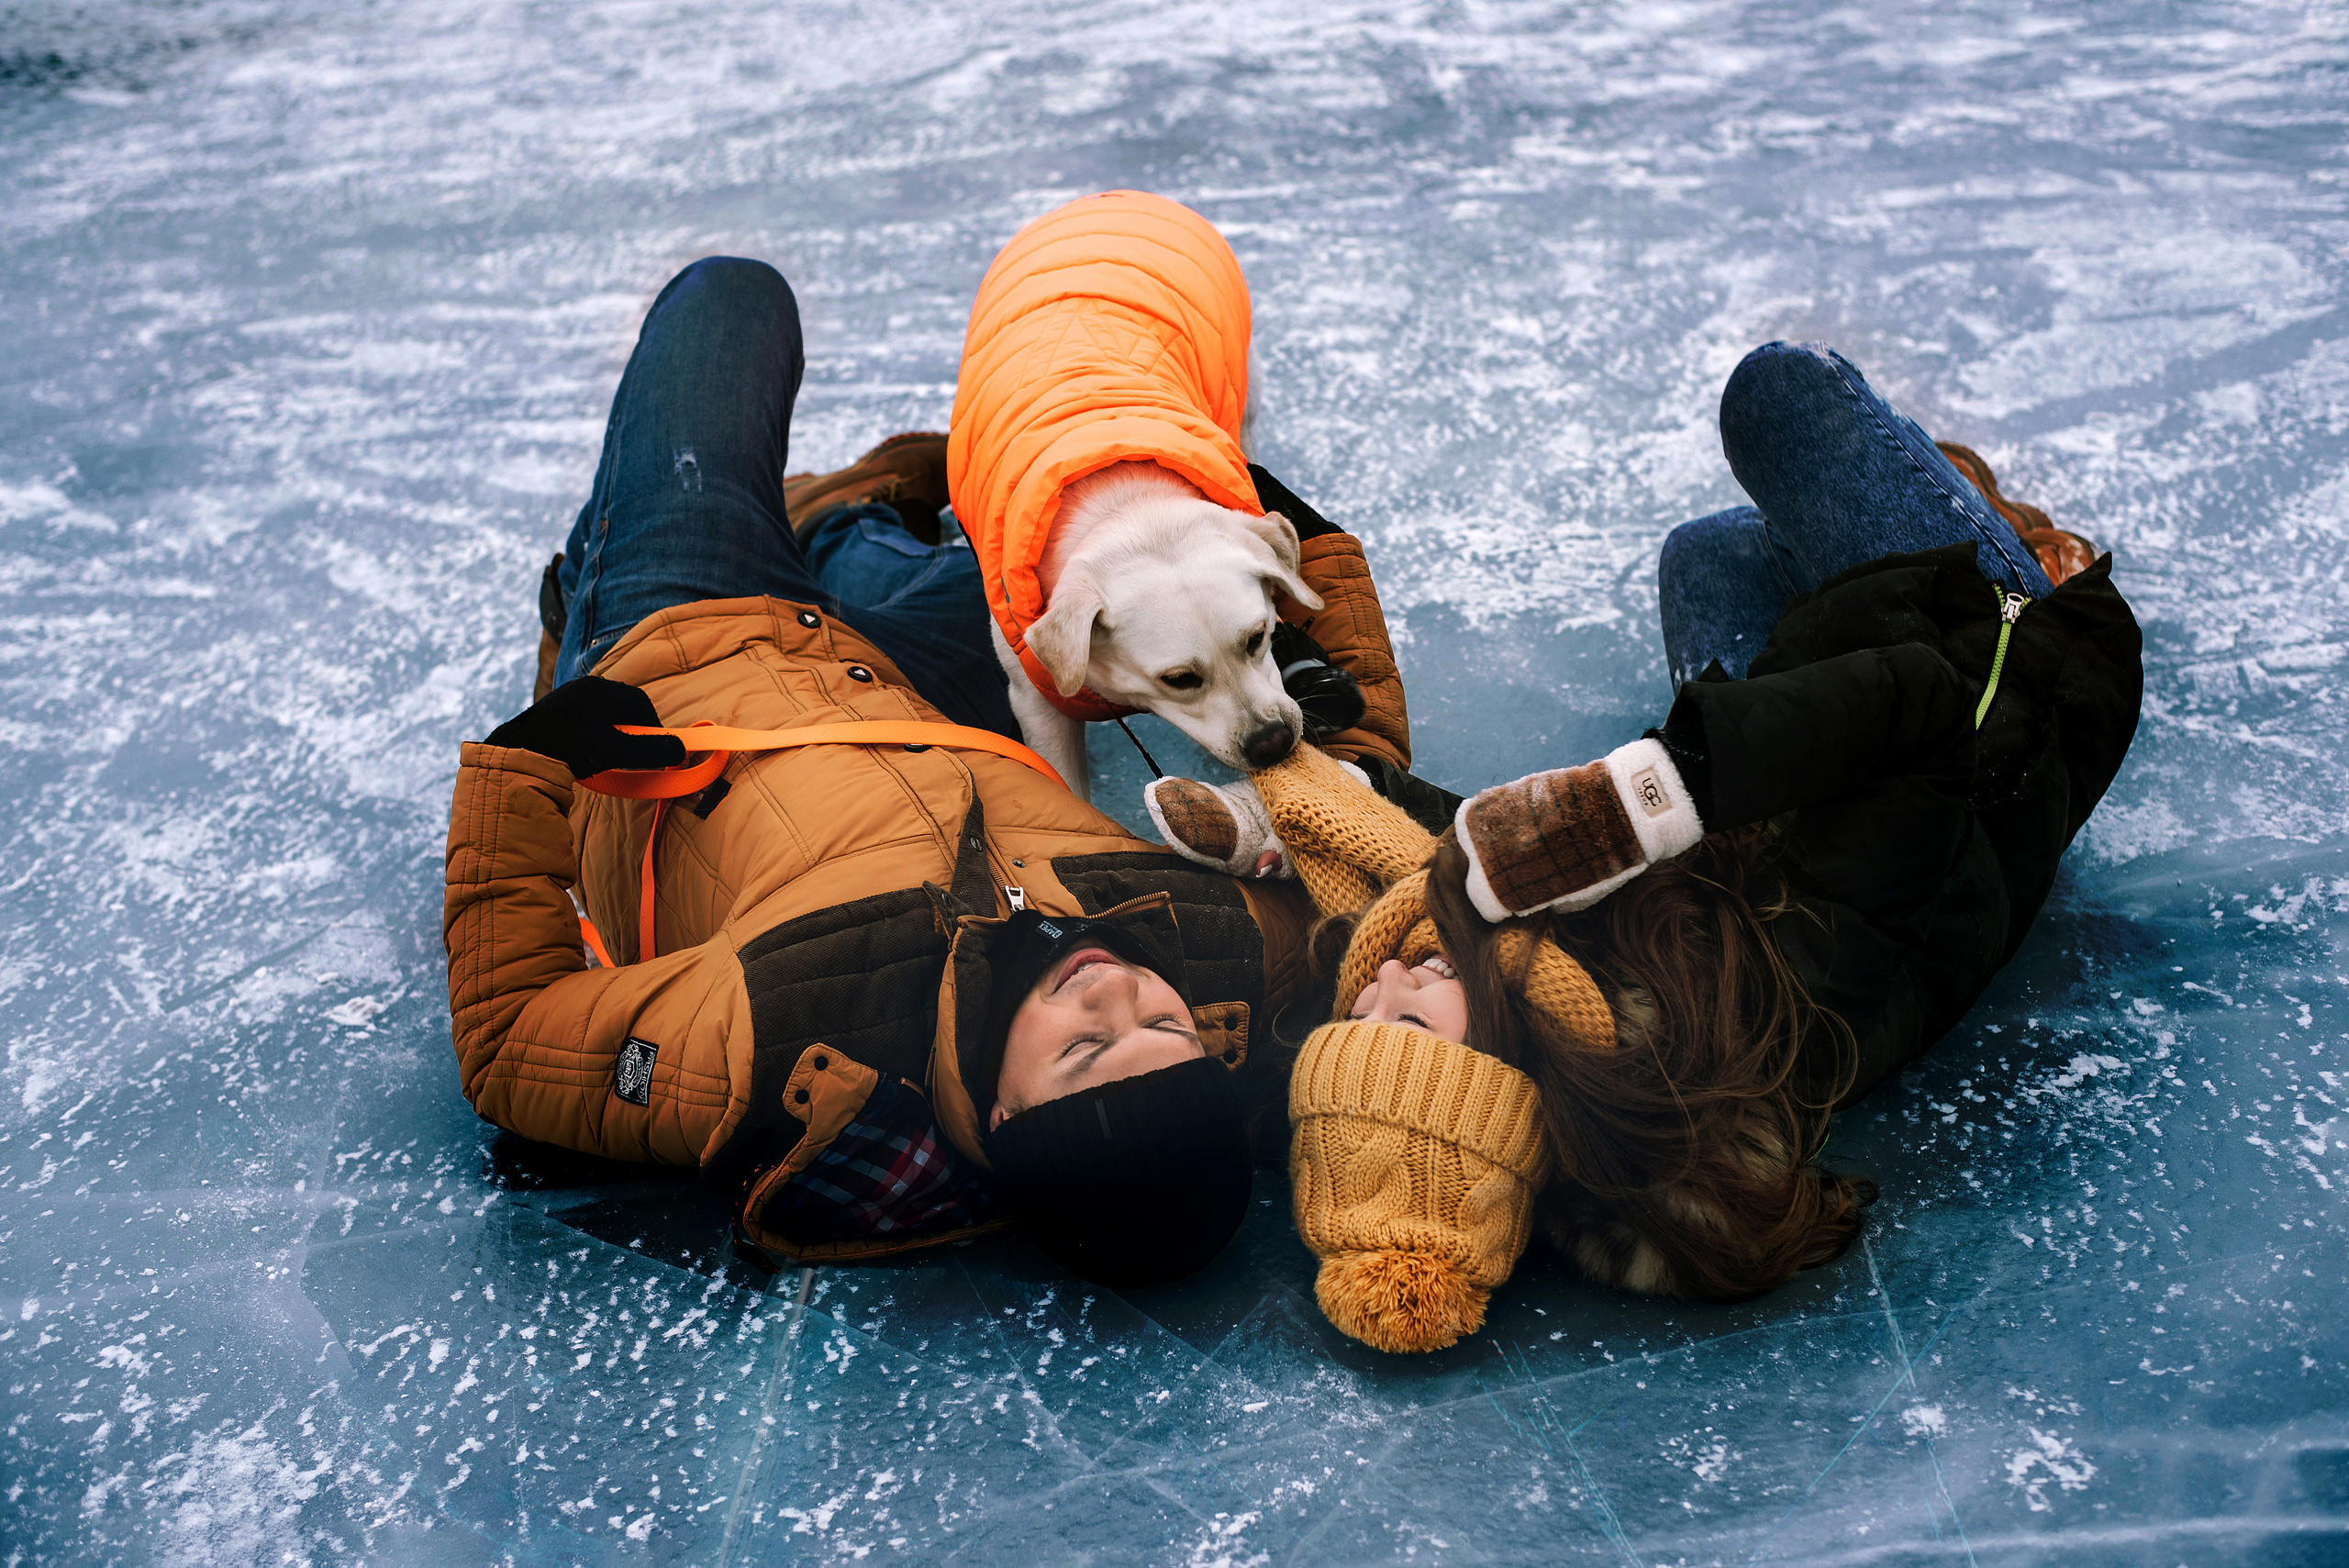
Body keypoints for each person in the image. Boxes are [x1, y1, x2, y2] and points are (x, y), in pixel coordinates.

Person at [1143, 341, 2143, 1349]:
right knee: (1775, 397)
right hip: (2004, 694)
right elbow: (1925, 709)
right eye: (1407, 1020)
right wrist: (1651, 797)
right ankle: (2015, 550)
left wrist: (1302, 812)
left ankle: (1942, 513)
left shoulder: (1545, 1000)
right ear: (1498, 1081)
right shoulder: (1769, 1014)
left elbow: (1449, 847)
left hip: (1808, 755)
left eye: (1357, 1014)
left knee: (1699, 558)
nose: (1384, 978)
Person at [442, 256, 1411, 1288]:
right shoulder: (1221, 957)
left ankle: (620, 566)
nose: (1115, 990)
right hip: (923, 693)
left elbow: (510, 1042)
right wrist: (1319, 583)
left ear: (1002, 1116)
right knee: (1060, 544)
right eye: (1164, 1024)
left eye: (1085, 1049)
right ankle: (840, 527)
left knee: (732, 301)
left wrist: (529, 766)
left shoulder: (773, 1044)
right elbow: (1370, 835)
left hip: (696, 643)